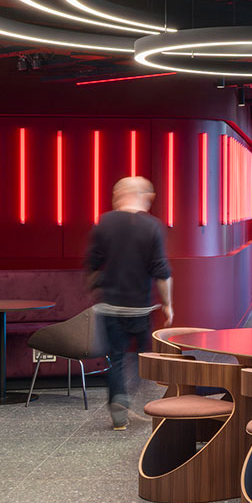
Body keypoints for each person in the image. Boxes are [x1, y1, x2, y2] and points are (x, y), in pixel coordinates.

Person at [85, 176, 174, 431]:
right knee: (140, 355)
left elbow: (92, 262)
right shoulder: (152, 226)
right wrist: (168, 304)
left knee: (115, 358)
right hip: (140, 307)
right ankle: (130, 393)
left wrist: (95, 287)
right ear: (144, 196)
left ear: (119, 194)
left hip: (110, 306)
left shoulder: (104, 222)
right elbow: (161, 271)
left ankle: (118, 403)